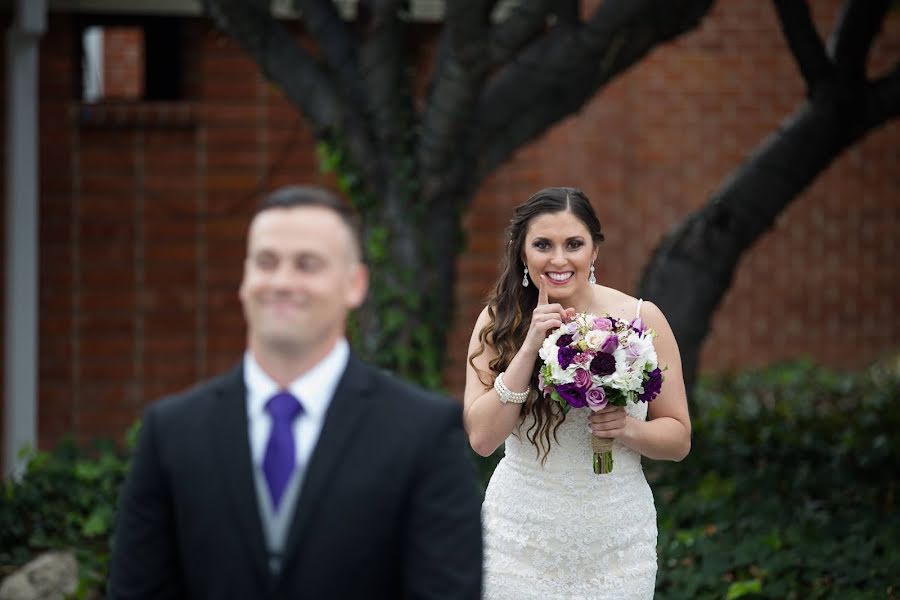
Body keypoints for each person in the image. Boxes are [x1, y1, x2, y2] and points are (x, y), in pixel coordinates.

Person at [108, 185, 483, 599]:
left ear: (355, 285)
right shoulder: (172, 432)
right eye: (266, 263)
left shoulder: (421, 433)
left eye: (307, 265)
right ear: (245, 278)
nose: (283, 282)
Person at [464, 186, 691, 599]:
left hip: (617, 542)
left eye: (573, 244)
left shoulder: (640, 318)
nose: (558, 259)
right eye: (542, 245)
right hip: (520, 542)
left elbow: (678, 439)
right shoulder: (498, 322)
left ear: (594, 252)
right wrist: (530, 346)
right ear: (521, 253)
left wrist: (625, 429)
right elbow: (481, 439)